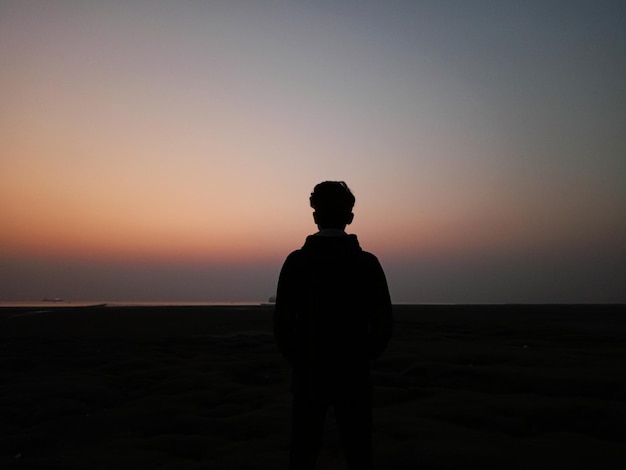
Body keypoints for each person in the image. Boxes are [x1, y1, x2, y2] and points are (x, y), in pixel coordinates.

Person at [273, 181, 393, 470]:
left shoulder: (297, 261)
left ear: (315, 216)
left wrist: (300, 358)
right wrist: (364, 355)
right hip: (353, 373)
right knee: (359, 451)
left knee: (303, 452)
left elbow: (282, 323)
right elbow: (383, 322)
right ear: (350, 217)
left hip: (309, 372)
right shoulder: (367, 263)